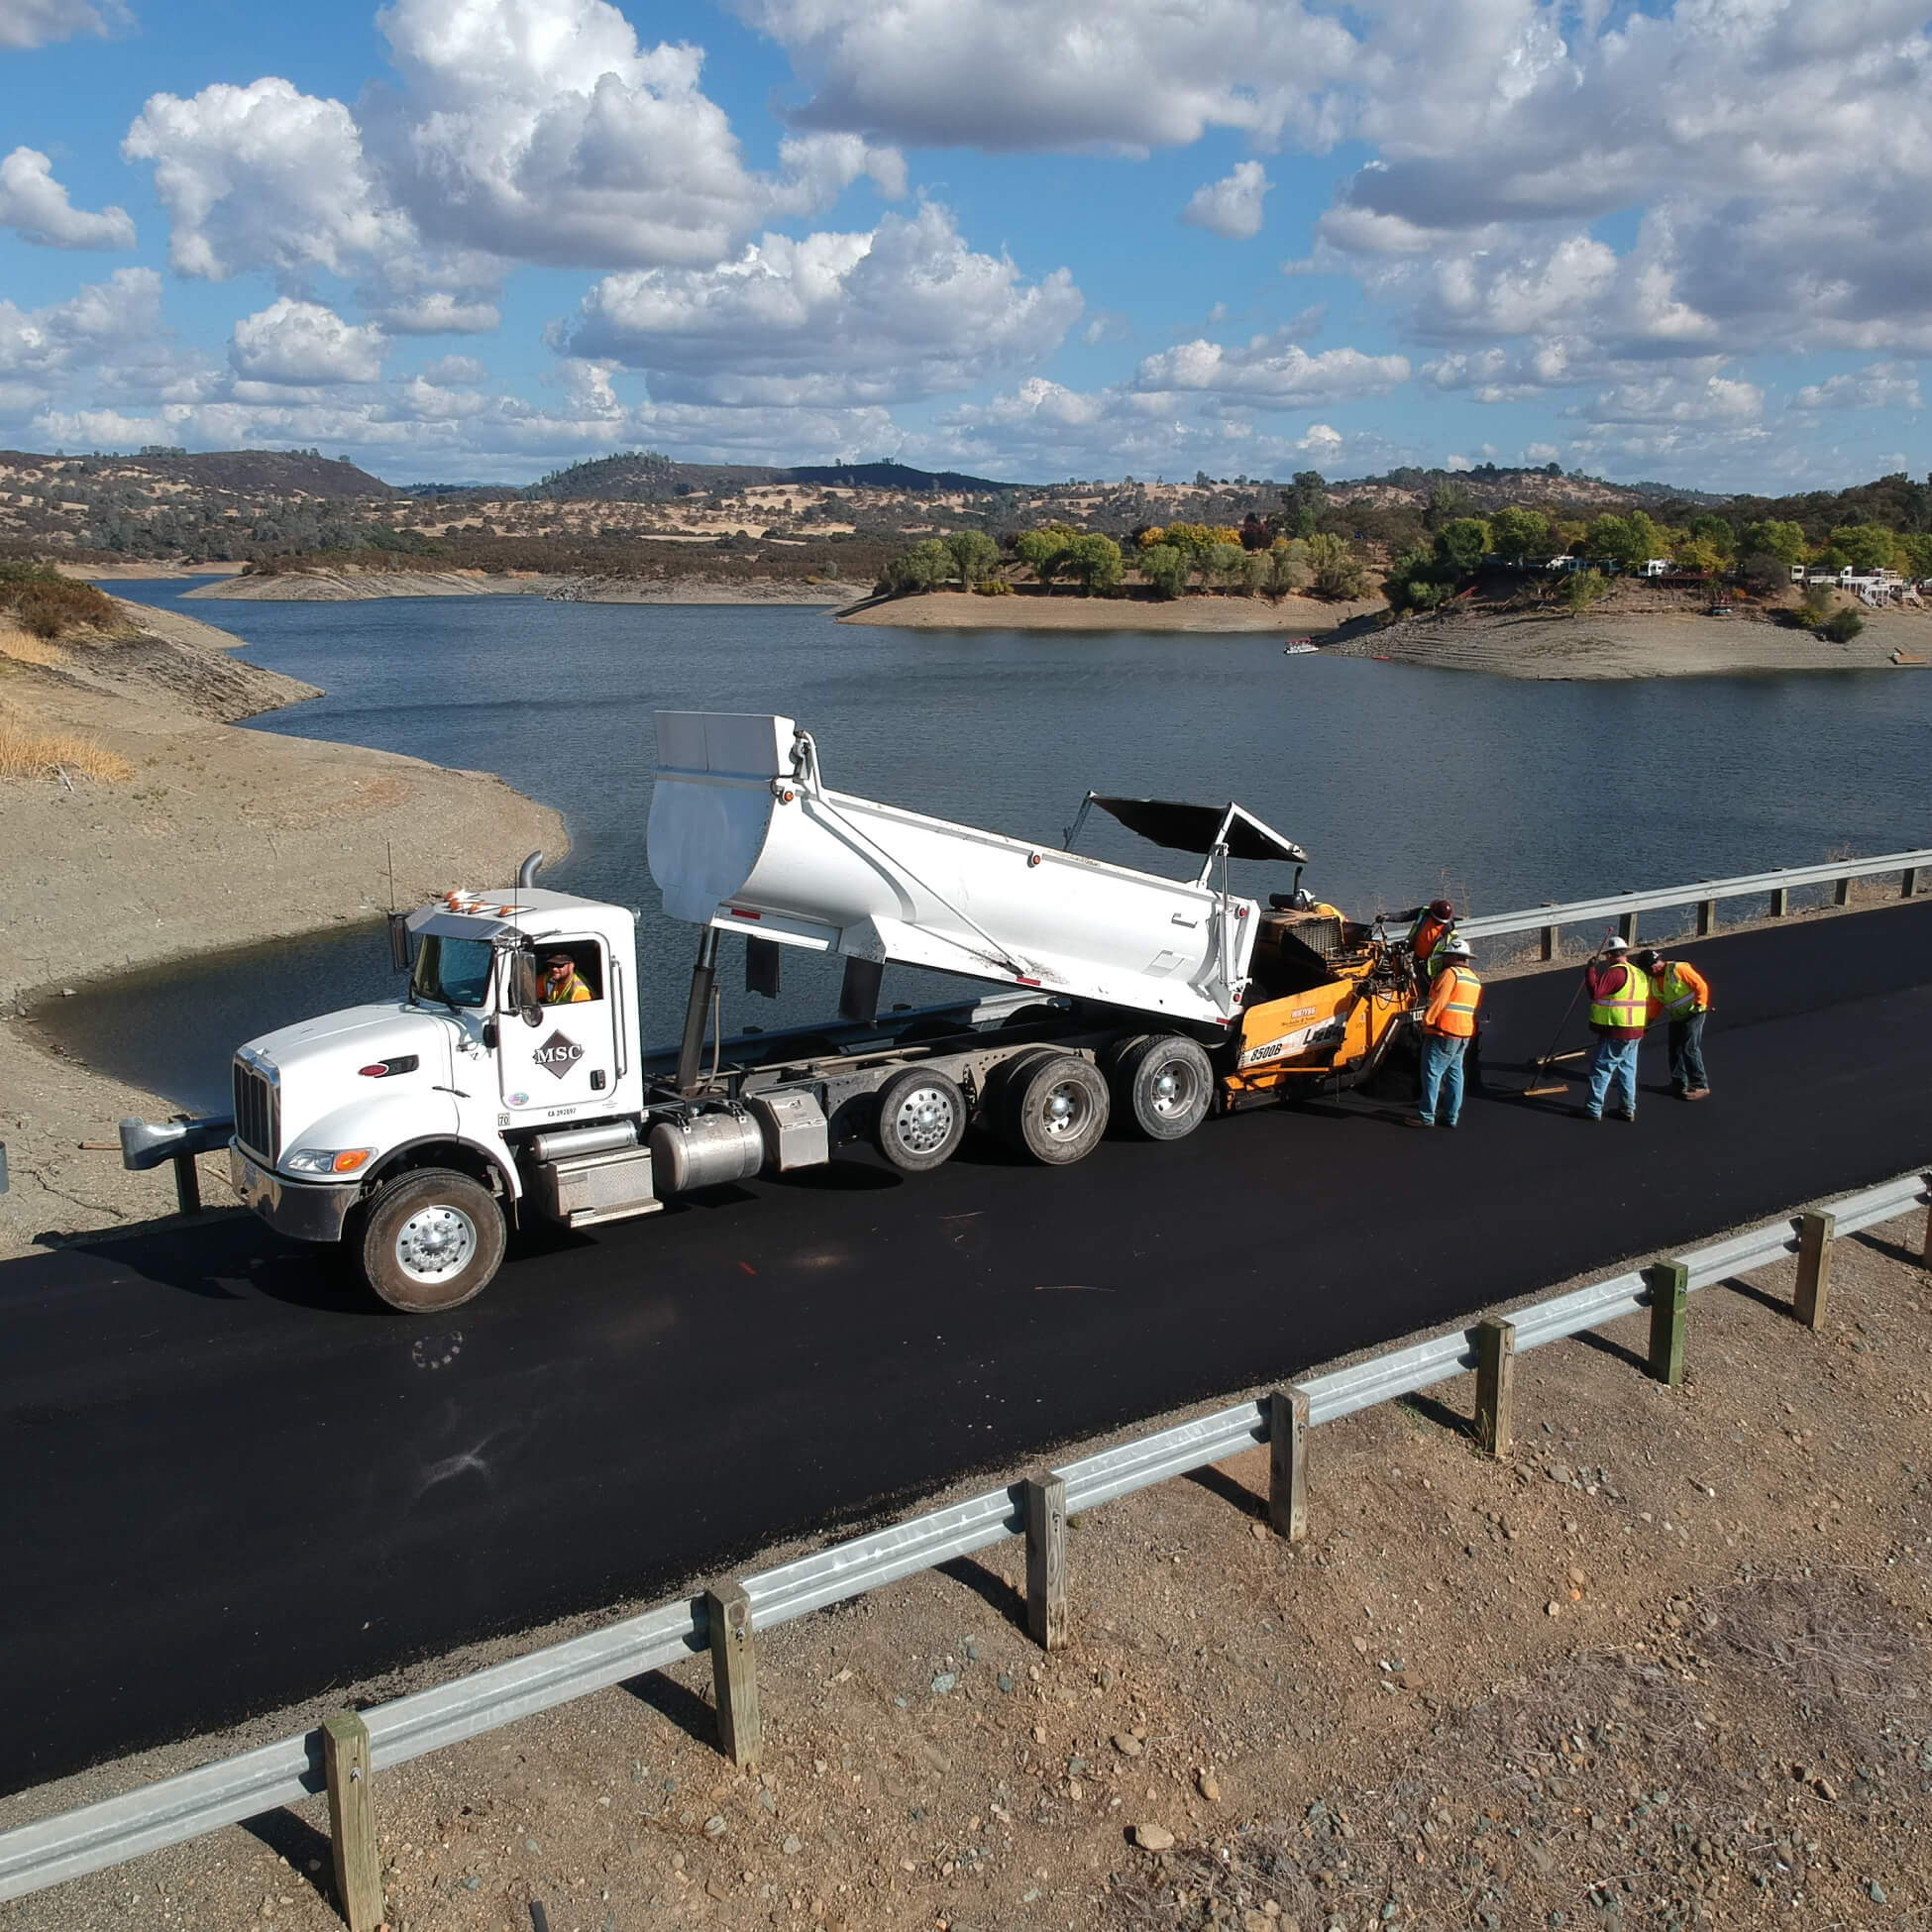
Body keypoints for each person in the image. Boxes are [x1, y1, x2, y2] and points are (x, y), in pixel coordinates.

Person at [1406, 935, 1481, 1128]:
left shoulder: (1450, 974)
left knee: (1432, 1073)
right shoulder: (1474, 978)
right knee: (1456, 1074)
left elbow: (1438, 1001)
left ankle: (1426, 1116)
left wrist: (1426, 1021)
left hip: (1443, 1031)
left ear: (1453, 956)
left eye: (1446, 955)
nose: (1444, 959)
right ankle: (1450, 1116)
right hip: (1463, 1033)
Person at [1580, 935, 1651, 1122]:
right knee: (1627, 1070)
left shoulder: (1615, 973)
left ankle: (1593, 1110)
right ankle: (1627, 1109)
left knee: (1601, 1069)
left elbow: (1595, 993)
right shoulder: (1639, 973)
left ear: (1610, 955)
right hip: (1635, 1030)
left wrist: (1590, 971)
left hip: (1617, 1030)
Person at [1634, 947, 1711, 1100]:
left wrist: (1699, 1005)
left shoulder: (1679, 969)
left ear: (1653, 966)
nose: (1646, 973)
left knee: (1689, 1048)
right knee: (1674, 1049)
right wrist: (1646, 1024)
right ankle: (1679, 1083)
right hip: (1676, 1017)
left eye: (1646, 970)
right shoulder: (1653, 981)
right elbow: (1655, 1004)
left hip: (1694, 1013)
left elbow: (1700, 986)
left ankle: (1700, 1085)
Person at [1407, 898, 1458, 980]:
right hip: (1416, 957)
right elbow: (1407, 915)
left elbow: (1450, 953)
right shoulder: (1424, 914)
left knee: (1427, 987)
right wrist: (1389, 916)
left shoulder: (1448, 931)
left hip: (1432, 965)